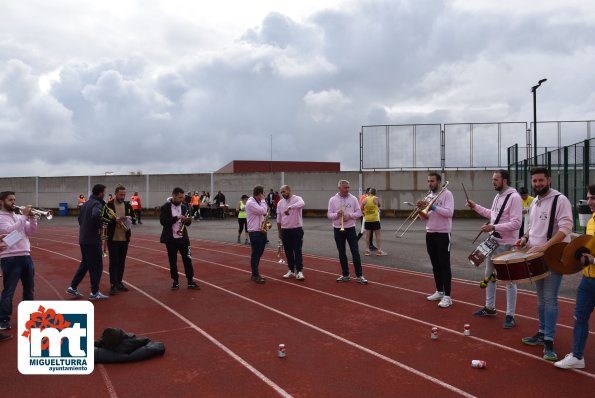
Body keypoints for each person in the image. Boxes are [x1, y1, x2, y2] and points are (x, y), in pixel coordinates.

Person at [516, 167, 573, 361]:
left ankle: (549, 339)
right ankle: (542, 333)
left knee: (550, 298)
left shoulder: (560, 200)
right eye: (535, 181)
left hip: (553, 256)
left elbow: (566, 228)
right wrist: (524, 238)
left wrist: (545, 246)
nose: (538, 184)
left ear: (549, 180)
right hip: (536, 256)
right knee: (540, 298)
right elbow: (533, 228)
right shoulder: (535, 203)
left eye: (541, 180)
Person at [466, 170, 522, 328]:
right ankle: (489, 307)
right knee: (489, 276)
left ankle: (510, 315)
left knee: (509, 281)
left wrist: (494, 226)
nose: (493, 182)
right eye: (493, 179)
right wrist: (475, 206)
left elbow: (517, 223)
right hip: (493, 242)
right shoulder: (498, 196)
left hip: (507, 245)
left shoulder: (515, 197)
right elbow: (493, 215)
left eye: (496, 179)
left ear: (505, 180)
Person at [554, 184, 595, 369]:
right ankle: (577, 357)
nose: (590, 202)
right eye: (589, 198)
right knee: (579, 316)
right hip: (588, 280)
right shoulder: (592, 220)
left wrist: (592, 260)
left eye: (594, 198)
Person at [0, 191, 38, 331]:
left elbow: (30, 231)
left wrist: (32, 218)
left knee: (29, 289)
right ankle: (3, 320)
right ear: (1, 201)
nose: (13, 202)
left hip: (26, 256)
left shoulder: (17, 216)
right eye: (10, 200)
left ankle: (29, 317)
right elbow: (8, 231)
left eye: (14, 199)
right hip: (10, 257)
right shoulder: (1, 217)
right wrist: (24, 217)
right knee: (9, 291)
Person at [66, 184, 109, 300]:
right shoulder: (97, 203)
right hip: (92, 240)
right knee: (97, 266)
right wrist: (100, 227)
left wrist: (86, 228)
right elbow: (96, 215)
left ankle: (73, 287)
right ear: (100, 193)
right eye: (104, 192)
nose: (105, 194)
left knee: (85, 264)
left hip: (83, 238)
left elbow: (80, 219)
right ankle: (94, 292)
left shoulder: (86, 204)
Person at [420, 172, 454, 308]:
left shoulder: (447, 194)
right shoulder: (428, 196)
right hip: (430, 233)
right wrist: (420, 209)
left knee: (444, 265)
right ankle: (440, 291)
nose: (430, 183)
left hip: (443, 233)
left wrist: (433, 206)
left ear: (439, 182)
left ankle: (448, 296)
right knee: (435, 265)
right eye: (428, 181)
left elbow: (449, 212)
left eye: (432, 181)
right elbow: (424, 218)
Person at [327, 180, 368, 284]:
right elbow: (329, 214)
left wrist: (349, 216)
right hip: (338, 228)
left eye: (348, 187)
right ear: (339, 188)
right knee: (341, 252)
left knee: (355, 252)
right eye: (345, 187)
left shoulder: (353, 198)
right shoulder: (332, 200)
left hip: (350, 228)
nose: (347, 189)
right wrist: (337, 215)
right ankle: (345, 274)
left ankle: (359, 275)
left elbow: (359, 213)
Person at [160, 187, 199, 290]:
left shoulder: (185, 207)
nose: (182, 199)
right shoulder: (165, 207)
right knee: (173, 261)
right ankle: (175, 281)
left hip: (184, 239)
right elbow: (163, 222)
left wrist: (187, 220)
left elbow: (188, 223)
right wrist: (176, 218)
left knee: (188, 259)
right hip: (171, 239)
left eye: (183, 197)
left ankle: (190, 281)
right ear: (173, 195)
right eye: (179, 197)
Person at [105, 185, 134, 295]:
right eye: (121, 194)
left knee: (122, 262)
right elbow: (103, 218)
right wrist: (113, 221)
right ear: (116, 193)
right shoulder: (109, 205)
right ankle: (113, 285)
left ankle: (119, 283)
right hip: (113, 238)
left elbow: (134, 218)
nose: (122, 196)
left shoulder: (128, 205)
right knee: (114, 262)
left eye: (124, 194)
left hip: (124, 238)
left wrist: (131, 218)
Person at [277, 185, 306, 280]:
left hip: (297, 229)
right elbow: (279, 218)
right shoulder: (280, 203)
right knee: (288, 251)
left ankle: (299, 271)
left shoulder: (297, 199)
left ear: (289, 190)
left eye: (284, 191)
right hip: (285, 230)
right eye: (281, 192)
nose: (282, 194)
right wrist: (279, 232)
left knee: (297, 250)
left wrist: (290, 207)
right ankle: (291, 270)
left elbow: (302, 204)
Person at [246, 185, 268, 283]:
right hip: (255, 232)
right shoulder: (251, 202)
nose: (264, 195)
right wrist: (263, 201)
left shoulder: (258, 202)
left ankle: (256, 274)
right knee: (255, 254)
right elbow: (263, 211)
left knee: (259, 253)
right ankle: (255, 275)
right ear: (260, 194)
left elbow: (263, 214)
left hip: (261, 230)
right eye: (263, 193)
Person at [361, 188, 387, 256]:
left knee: (367, 235)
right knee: (378, 235)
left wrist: (363, 213)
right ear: (375, 193)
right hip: (375, 219)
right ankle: (379, 250)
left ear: (369, 192)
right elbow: (379, 205)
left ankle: (367, 250)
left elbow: (361, 207)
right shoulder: (376, 198)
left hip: (367, 219)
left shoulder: (365, 199)